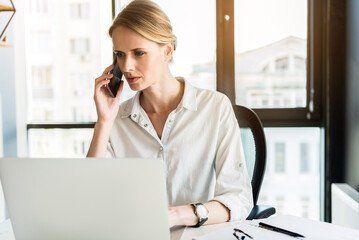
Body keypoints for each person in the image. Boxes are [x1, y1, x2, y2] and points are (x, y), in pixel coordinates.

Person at [87, 0, 253, 228]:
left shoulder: (214, 108)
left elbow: (238, 199)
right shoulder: (116, 119)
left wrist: (176, 215)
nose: (126, 67)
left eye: (138, 53)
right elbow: (90, 198)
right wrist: (104, 122)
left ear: (167, 50)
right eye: (120, 55)